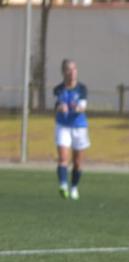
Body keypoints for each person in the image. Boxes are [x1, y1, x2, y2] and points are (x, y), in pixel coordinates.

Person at [53, 59, 89, 200]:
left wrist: (77, 108)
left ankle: (74, 187)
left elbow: (83, 106)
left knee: (78, 163)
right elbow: (56, 105)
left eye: (74, 69)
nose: (72, 72)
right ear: (63, 72)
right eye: (69, 69)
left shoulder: (82, 89)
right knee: (63, 158)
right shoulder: (59, 89)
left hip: (79, 127)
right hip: (63, 126)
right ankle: (63, 185)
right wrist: (60, 108)